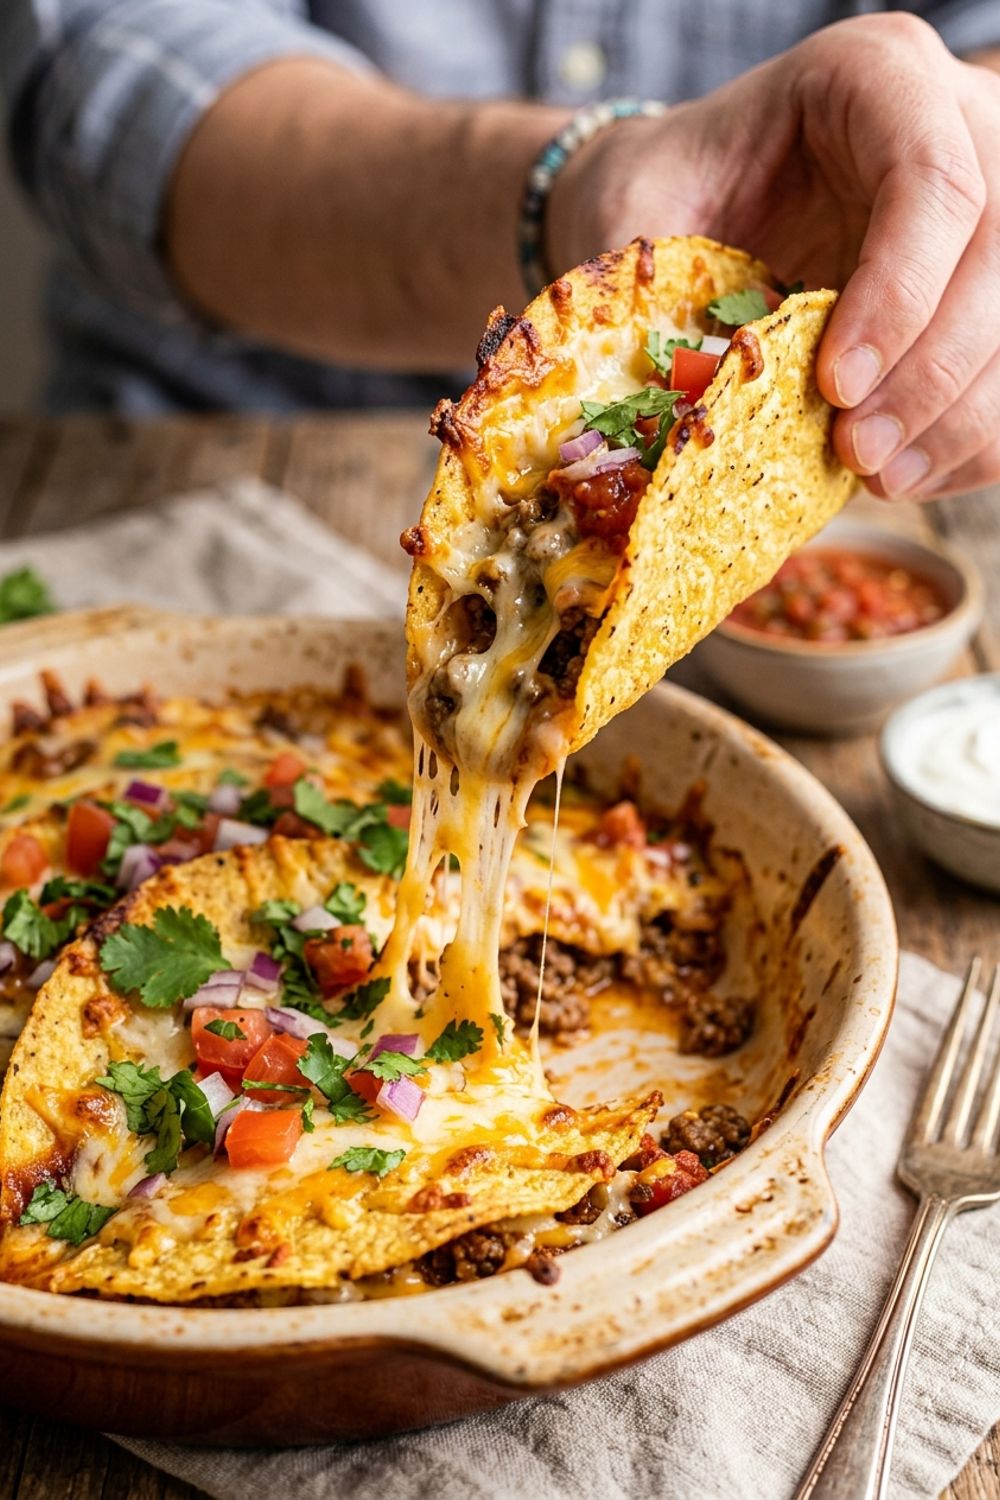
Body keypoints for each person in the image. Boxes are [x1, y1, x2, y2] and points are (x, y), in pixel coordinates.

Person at [2, 3, 1000, 503]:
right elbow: (104, 71)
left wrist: (964, 164)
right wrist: (571, 192)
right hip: (188, 458)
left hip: (792, 499)